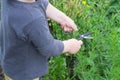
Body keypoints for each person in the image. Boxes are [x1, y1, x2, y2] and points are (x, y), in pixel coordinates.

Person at [2, 0, 83, 80]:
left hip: (10, 62)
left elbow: (41, 2)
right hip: (25, 74)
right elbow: (49, 47)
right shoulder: (32, 19)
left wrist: (63, 18)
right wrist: (69, 45)